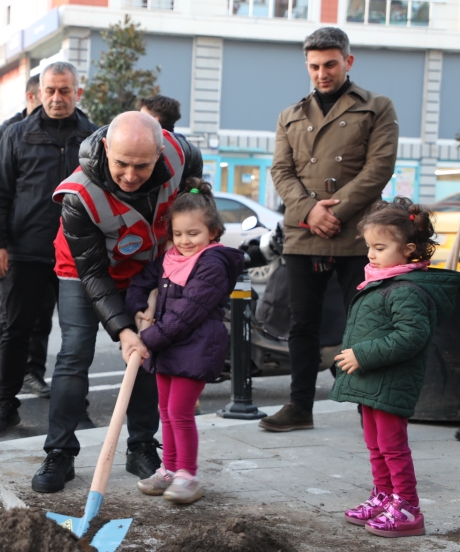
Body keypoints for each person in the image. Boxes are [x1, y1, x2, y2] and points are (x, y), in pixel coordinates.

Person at [31, 111, 203, 493]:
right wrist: (124, 330)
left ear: (159, 153)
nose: (129, 175)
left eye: (141, 165)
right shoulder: (78, 195)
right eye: (121, 163)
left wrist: (192, 191)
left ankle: (141, 446)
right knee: (75, 353)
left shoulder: (175, 152)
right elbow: (94, 275)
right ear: (106, 147)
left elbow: (193, 163)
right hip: (83, 271)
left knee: (147, 353)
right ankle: (60, 451)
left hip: (146, 268)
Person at [266, 27, 398, 432]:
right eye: (314, 66)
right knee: (301, 324)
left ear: (348, 62)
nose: (322, 73)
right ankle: (299, 406)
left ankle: (366, 406)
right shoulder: (290, 115)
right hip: (304, 232)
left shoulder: (377, 107)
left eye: (330, 64)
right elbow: (281, 171)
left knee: (363, 323)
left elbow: (379, 168)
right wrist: (310, 212)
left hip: (359, 233)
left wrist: (333, 212)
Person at [0, 62, 99, 437]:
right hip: (26, 251)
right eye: (50, 90)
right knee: (14, 333)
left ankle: (74, 408)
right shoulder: (16, 135)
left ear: (78, 93)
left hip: (77, 254)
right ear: (39, 93)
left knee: (76, 335)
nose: (57, 98)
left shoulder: (97, 138)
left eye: (65, 91)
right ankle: (3, 405)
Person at [330, 198, 460, 537]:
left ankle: (407, 508)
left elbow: (411, 336)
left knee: (392, 446)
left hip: (391, 381)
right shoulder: (383, 281)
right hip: (374, 382)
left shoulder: (406, 289)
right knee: (375, 445)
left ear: (409, 249)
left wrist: (362, 355)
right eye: (370, 246)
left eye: (380, 247)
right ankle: (384, 496)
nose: (371, 254)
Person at [125, 178, 243, 503]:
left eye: (194, 234)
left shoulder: (213, 265)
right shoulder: (170, 258)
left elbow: (185, 314)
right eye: (178, 234)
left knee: (179, 412)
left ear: (213, 232)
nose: (185, 241)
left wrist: (145, 340)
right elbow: (140, 281)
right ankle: (169, 469)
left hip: (197, 347)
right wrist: (137, 308)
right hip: (167, 346)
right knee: (165, 410)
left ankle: (187, 475)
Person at [0, 74, 54, 402]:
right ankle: (0, 380)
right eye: (46, 94)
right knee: (11, 319)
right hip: (15, 246)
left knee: (41, 317)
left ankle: (31, 372)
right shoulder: (8, 134)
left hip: (48, 249)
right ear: (33, 96)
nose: (52, 103)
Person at [138, 95, 203, 184]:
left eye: (141, 117)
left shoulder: (146, 146)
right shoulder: (191, 150)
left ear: (154, 121)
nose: (137, 120)